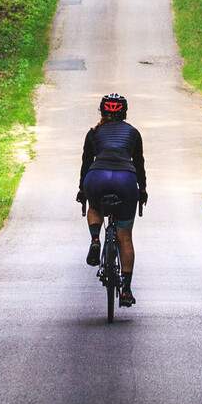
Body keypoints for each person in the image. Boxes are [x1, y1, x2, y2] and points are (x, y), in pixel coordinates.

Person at [77, 92, 147, 306]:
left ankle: (96, 239)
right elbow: (140, 164)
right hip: (125, 180)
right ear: (124, 112)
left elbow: (86, 163)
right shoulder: (133, 133)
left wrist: (82, 190)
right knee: (125, 237)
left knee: (94, 205)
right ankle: (125, 289)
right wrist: (142, 190)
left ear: (102, 111)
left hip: (97, 177)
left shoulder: (93, 133)